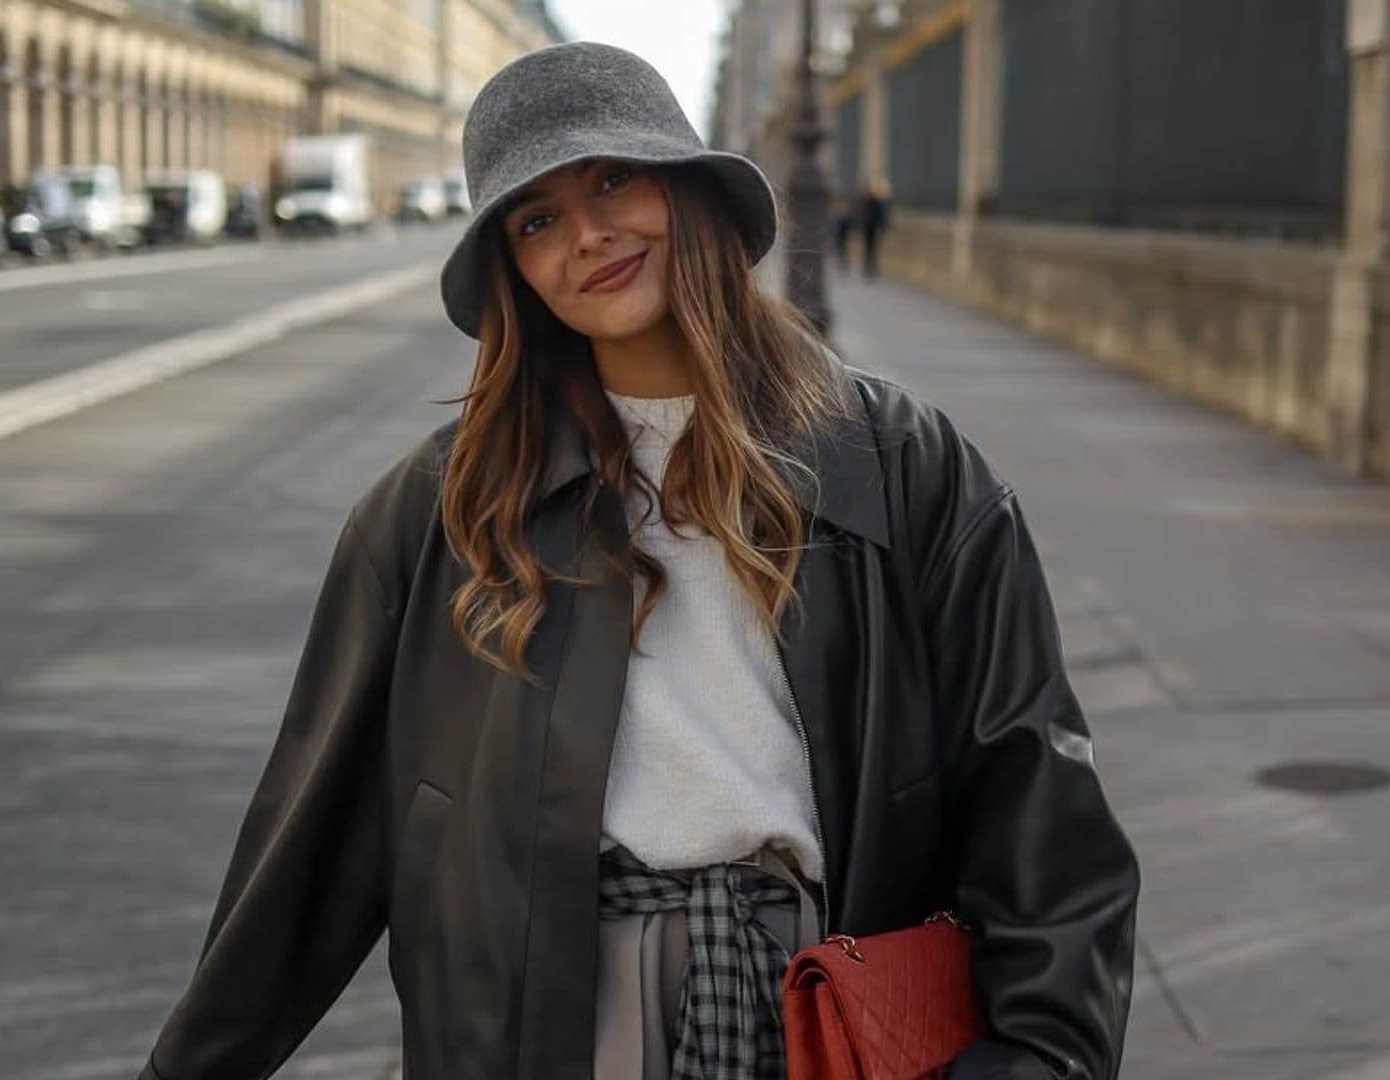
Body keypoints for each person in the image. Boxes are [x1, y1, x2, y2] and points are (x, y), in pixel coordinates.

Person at [137, 42, 1139, 1080]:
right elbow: (309, 853)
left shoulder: (900, 465)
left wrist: (1044, 1059)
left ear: (685, 190)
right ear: (511, 269)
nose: (589, 234)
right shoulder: (439, 515)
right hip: (553, 1032)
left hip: (833, 1016)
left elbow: (1034, 795)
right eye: (536, 219)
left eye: (614, 178)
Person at [860, 178, 891, 278]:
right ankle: (869, 267)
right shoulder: (867, 202)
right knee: (869, 249)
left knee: (872, 249)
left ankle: (870, 268)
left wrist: (882, 227)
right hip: (868, 228)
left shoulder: (874, 203)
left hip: (872, 228)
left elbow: (881, 216)